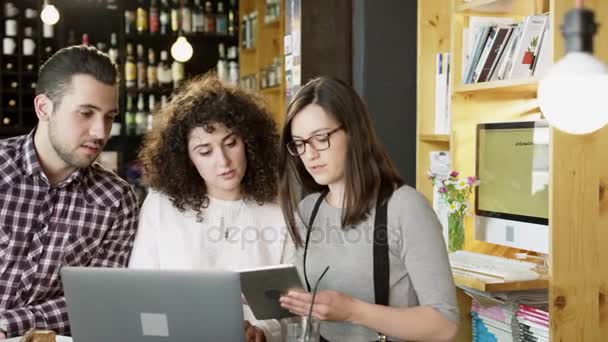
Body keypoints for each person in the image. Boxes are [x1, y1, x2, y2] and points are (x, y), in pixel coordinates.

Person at [277, 77, 459, 342]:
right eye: (300, 143)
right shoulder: (308, 210)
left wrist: (352, 311)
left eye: (320, 138)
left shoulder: (405, 207)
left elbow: (445, 325)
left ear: (354, 132)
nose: (310, 154)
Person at [129, 74, 294, 342]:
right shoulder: (161, 206)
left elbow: (290, 312)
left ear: (250, 142)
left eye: (231, 143)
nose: (224, 161)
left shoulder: (277, 214)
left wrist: (263, 331)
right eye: (205, 151)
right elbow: (140, 293)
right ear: (188, 159)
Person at [0, 46, 139, 338]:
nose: (101, 132)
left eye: (109, 116)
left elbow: (98, 302)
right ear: (44, 108)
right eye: (86, 113)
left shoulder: (117, 200)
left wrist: (5, 325)